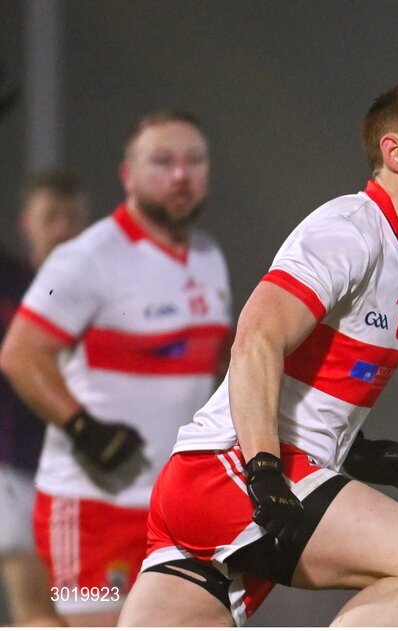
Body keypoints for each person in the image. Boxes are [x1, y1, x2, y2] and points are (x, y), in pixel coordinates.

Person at [117, 74, 398, 627]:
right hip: (236, 477)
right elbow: (257, 336)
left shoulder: (397, 255)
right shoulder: (351, 228)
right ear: (396, 154)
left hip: (206, 485)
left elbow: (307, 374)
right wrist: (263, 471)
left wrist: (357, 451)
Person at [0, 111, 232, 626]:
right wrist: (84, 429)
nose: (180, 175)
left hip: (177, 506)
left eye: (193, 161)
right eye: (162, 162)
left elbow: (217, 355)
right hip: (95, 507)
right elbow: (20, 353)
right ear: (128, 175)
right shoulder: (85, 258)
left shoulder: (208, 256)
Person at [0, 171, 88, 626]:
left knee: (92, 608)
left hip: (94, 480)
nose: (62, 228)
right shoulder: (10, 286)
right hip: (20, 469)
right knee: (35, 610)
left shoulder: (103, 293)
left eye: (72, 217)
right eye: (51, 216)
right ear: (25, 223)